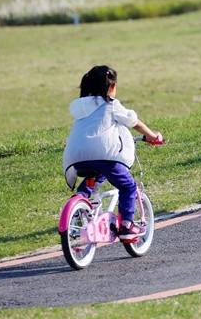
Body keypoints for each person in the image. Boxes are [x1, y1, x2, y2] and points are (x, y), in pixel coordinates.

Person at [62, 65, 162, 242]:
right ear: (112, 87)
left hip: (76, 157)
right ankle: (126, 225)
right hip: (105, 155)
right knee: (128, 186)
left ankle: (80, 201)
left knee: (95, 176)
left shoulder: (80, 109)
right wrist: (153, 136)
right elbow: (134, 122)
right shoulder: (111, 105)